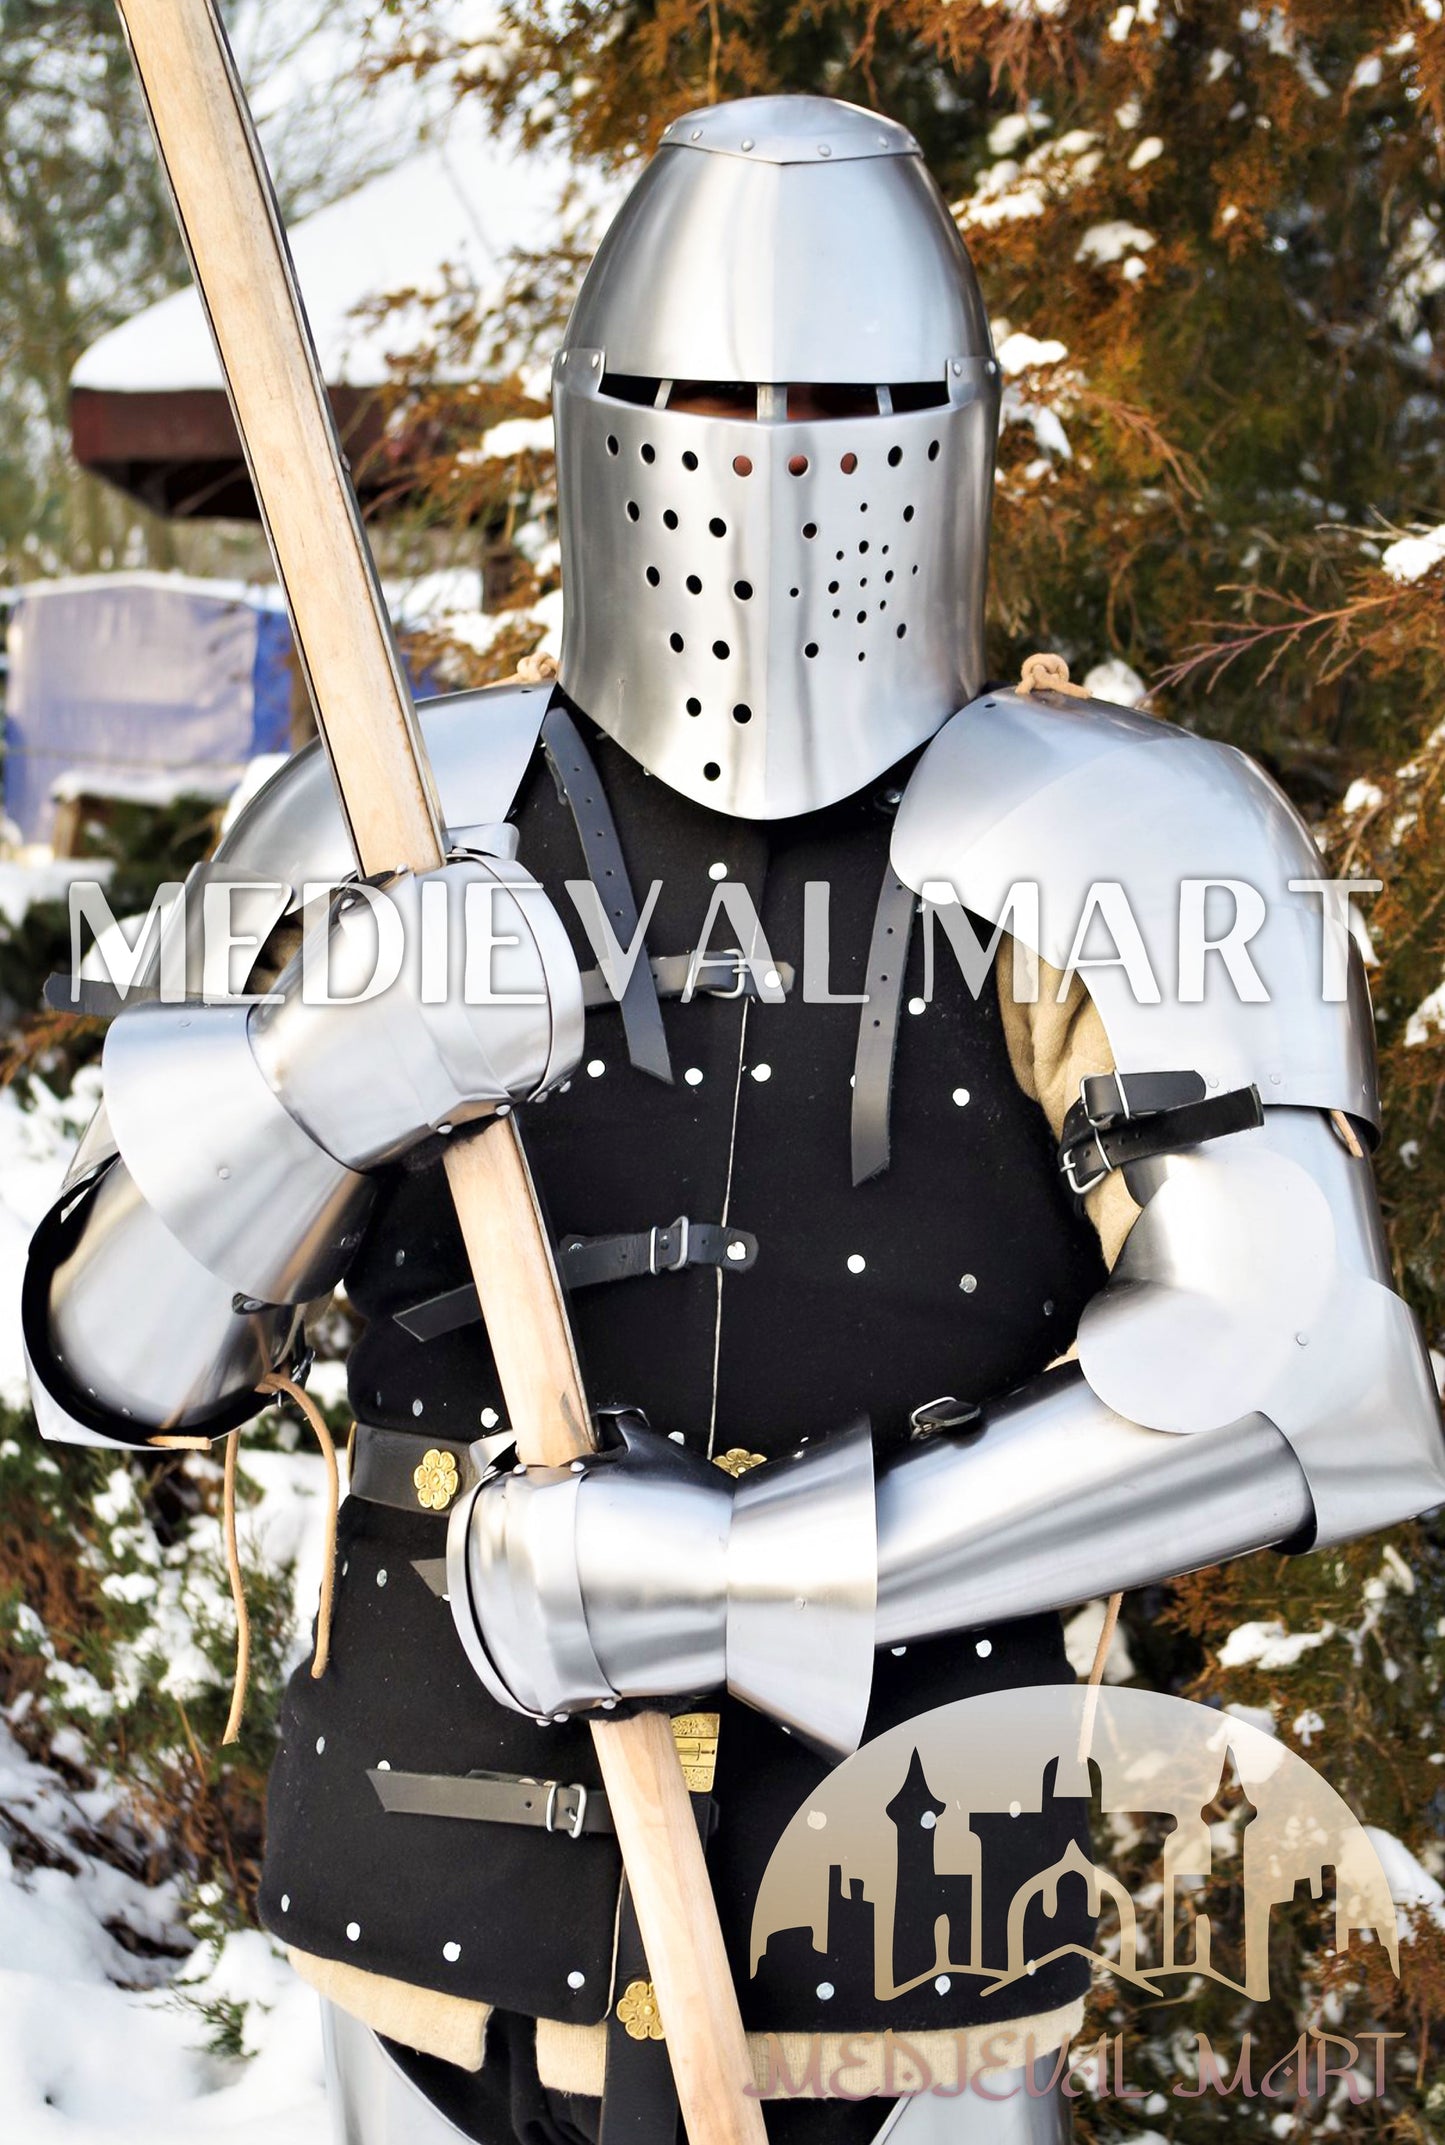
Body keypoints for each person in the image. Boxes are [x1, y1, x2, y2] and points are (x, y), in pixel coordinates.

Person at [23, 93, 1445, 2145]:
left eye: (843, 410)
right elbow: (111, 1355)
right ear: (608, 422)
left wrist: (751, 1571)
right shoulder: (389, 812)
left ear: (948, 429)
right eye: (698, 405)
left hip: (904, 1969)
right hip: (425, 1944)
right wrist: (308, 1088)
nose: (766, 479)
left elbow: (1311, 1379)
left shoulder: (1125, 831)